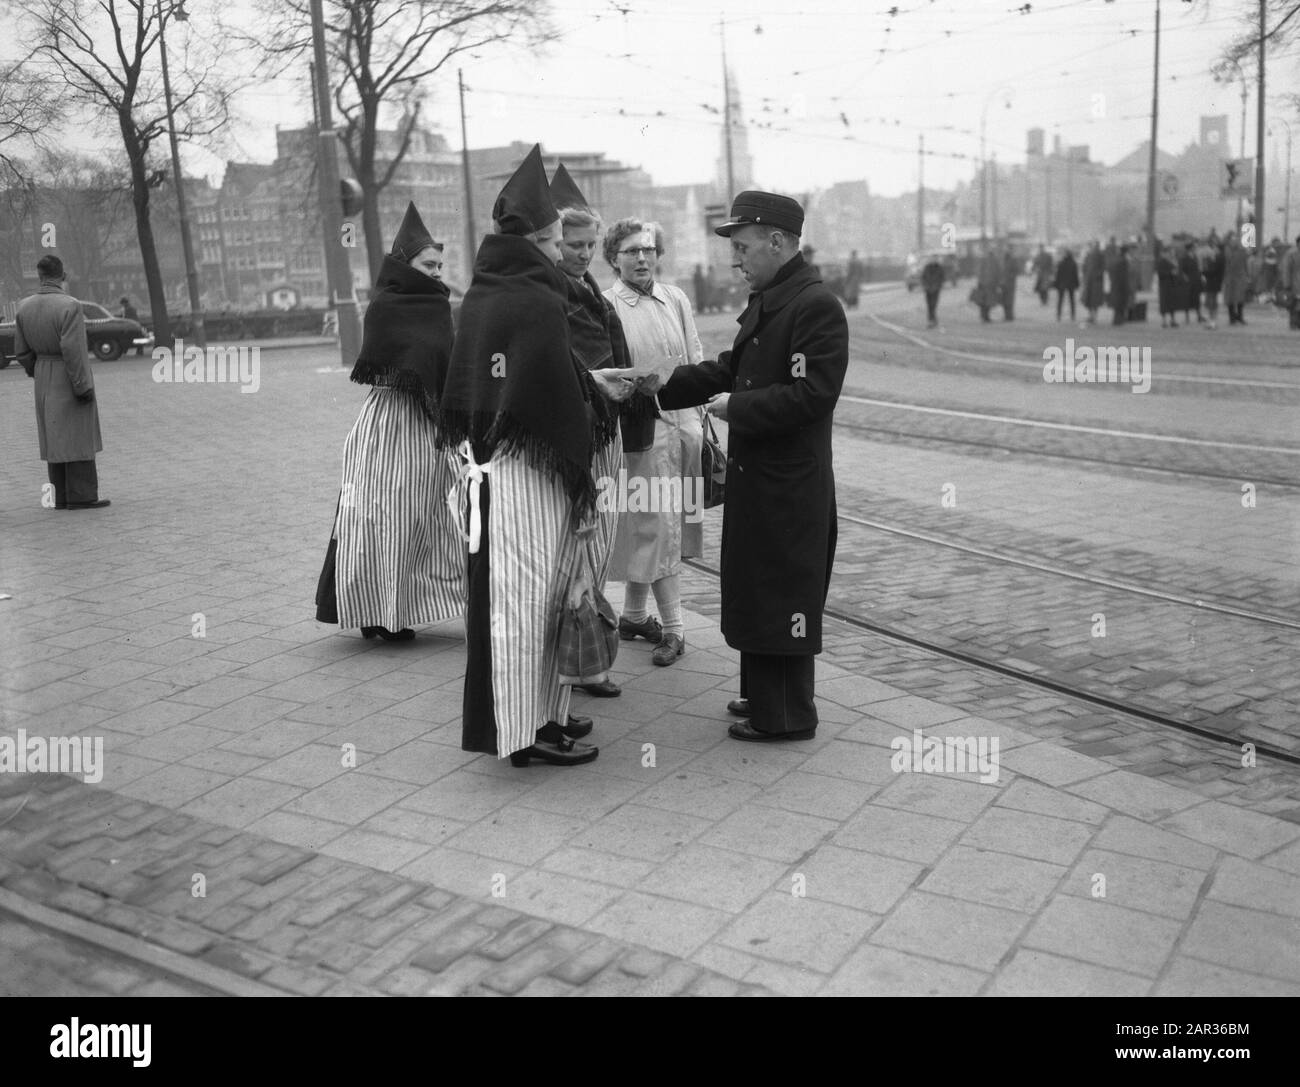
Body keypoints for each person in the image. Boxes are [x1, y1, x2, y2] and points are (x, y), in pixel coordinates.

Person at [435, 145, 631, 768]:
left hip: (496, 472)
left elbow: (525, 382)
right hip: (525, 480)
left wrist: (588, 387)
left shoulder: (488, 291)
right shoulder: (535, 295)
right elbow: (547, 400)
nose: (558, 254)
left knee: (528, 604)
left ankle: (541, 716)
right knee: (523, 607)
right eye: (553, 242)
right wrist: (583, 459)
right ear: (536, 239)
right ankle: (523, 732)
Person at [638, 191, 848, 742]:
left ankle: (786, 716)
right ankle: (761, 694)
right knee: (758, 586)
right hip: (763, 478)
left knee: (782, 592)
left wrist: (737, 408)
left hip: (790, 484)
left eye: (743, 247)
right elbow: (733, 367)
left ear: (777, 242)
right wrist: (655, 385)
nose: (735, 259)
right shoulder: (776, 297)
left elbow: (812, 395)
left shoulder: (815, 305)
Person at [318, 201, 464, 643]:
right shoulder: (387, 303)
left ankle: (400, 608)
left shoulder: (439, 304)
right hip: (390, 421)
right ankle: (373, 609)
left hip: (427, 425)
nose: (437, 272)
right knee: (381, 512)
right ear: (407, 263)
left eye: (440, 264)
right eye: (429, 263)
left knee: (423, 515)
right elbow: (403, 360)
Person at [549, 163, 649, 702]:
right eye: (573, 244)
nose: (583, 253)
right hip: (577, 432)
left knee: (598, 542)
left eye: (589, 244)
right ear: (553, 243)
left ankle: (586, 656)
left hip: (603, 425)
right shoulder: (555, 291)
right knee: (580, 545)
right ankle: (583, 666)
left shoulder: (586, 285)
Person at [602, 217, 705, 668]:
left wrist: (701, 409)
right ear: (614, 259)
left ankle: (634, 614)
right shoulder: (609, 306)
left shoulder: (675, 298)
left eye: (648, 250)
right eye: (631, 252)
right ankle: (674, 628)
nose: (642, 258)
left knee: (666, 525)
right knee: (656, 526)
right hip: (644, 431)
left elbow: (695, 355)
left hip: (685, 430)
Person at [14, 254, 108, 510]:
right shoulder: (70, 306)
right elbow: (74, 350)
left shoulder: (24, 307)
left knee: (54, 437)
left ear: (40, 276)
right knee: (77, 436)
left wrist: (38, 370)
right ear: (63, 276)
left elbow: (21, 351)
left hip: (43, 375)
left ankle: (61, 496)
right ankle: (82, 496)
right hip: (67, 375)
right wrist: (82, 385)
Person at [1223, 229, 1250, 325]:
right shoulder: (1226, 250)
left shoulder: (1242, 251)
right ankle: (1232, 318)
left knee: (1240, 298)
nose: (1235, 242)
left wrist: (1247, 276)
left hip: (1240, 277)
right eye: (1232, 240)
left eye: (1236, 240)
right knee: (1230, 299)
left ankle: (1240, 316)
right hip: (1229, 277)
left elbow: (1246, 264)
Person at [1155, 241, 1181, 328]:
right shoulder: (1161, 262)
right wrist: (1170, 273)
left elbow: (1177, 272)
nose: (1171, 254)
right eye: (1169, 252)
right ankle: (1164, 321)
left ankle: (1173, 320)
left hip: (1172, 285)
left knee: (1172, 303)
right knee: (1164, 303)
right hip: (1164, 286)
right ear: (1165, 253)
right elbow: (1160, 274)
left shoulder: (1173, 261)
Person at [1179, 240, 1204, 326]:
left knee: (1197, 298)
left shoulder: (1195, 257)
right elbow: (1181, 270)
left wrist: (1200, 277)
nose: (1195, 249)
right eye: (1194, 247)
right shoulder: (1184, 258)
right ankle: (1187, 316)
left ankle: (1199, 315)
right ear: (1190, 249)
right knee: (1187, 299)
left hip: (1196, 280)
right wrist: (1185, 278)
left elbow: (1197, 268)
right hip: (1188, 282)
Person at [1080, 240, 1105, 326]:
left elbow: (1103, 267)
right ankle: (1091, 316)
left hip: (1095, 281)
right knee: (1089, 300)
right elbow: (1084, 267)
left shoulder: (1100, 255)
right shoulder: (1089, 255)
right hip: (1089, 280)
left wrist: (1098, 274)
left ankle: (1093, 316)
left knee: (1094, 300)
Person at [975, 242, 1000, 323]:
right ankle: (984, 316)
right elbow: (981, 271)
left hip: (989, 284)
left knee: (986, 302)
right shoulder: (989, 259)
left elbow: (996, 272)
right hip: (987, 284)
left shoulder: (993, 259)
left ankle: (985, 316)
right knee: (985, 301)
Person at [1203, 236, 1225, 330]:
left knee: (1212, 303)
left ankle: (1212, 322)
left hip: (1213, 283)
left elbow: (1213, 271)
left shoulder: (1218, 258)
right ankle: (1212, 321)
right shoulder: (1219, 257)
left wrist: (1203, 272)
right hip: (1215, 283)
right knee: (1212, 303)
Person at [920, 253, 945, 328]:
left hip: (936, 289)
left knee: (934, 305)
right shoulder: (927, 267)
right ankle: (931, 320)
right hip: (928, 289)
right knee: (929, 305)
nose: (933, 260)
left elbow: (942, 277)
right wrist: (925, 286)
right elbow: (923, 277)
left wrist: (938, 286)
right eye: (932, 258)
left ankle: (933, 319)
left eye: (935, 258)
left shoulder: (939, 267)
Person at [1054, 246, 1078, 322]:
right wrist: (1077, 284)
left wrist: (1056, 284)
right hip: (1071, 284)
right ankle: (1073, 316)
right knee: (1071, 301)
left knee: (1060, 300)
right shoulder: (1073, 263)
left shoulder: (1061, 263)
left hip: (1062, 284)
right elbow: (1075, 275)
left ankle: (1059, 315)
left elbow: (1058, 275)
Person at [1108, 243, 1130, 326]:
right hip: (1121, 285)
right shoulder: (1123, 261)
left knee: (1118, 303)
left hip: (1116, 284)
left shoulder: (1117, 259)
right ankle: (1118, 320)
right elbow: (1124, 275)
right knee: (1121, 303)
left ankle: (1118, 319)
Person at [1282, 235, 1300, 330]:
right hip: (1294, 284)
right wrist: (1287, 284)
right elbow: (1286, 270)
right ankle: (1293, 323)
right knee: (1293, 304)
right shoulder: (1291, 254)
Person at [1000, 243, 1019, 321]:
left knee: (1009, 300)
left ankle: (1010, 316)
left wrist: (1010, 277)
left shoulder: (1013, 260)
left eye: (1008, 249)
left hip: (1010, 284)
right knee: (1004, 300)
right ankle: (1006, 315)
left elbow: (1016, 271)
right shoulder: (1003, 259)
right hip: (1003, 283)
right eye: (1005, 249)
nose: (1006, 250)